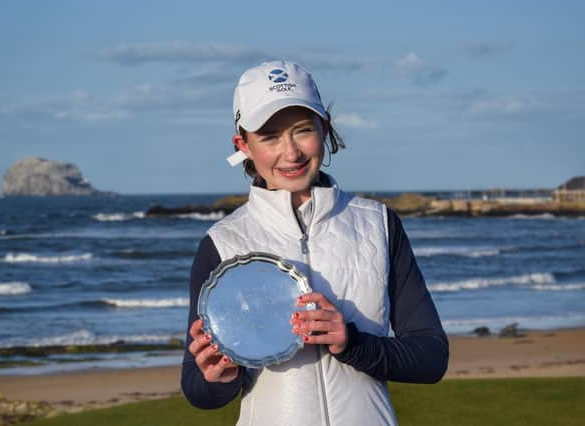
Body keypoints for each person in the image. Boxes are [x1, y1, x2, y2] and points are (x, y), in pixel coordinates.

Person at [181, 60, 448, 425]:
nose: (290, 153)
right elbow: (197, 388)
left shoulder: (379, 224)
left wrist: (352, 344)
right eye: (270, 136)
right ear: (243, 144)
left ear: (324, 128)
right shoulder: (222, 243)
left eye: (302, 131)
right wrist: (219, 376)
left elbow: (431, 357)